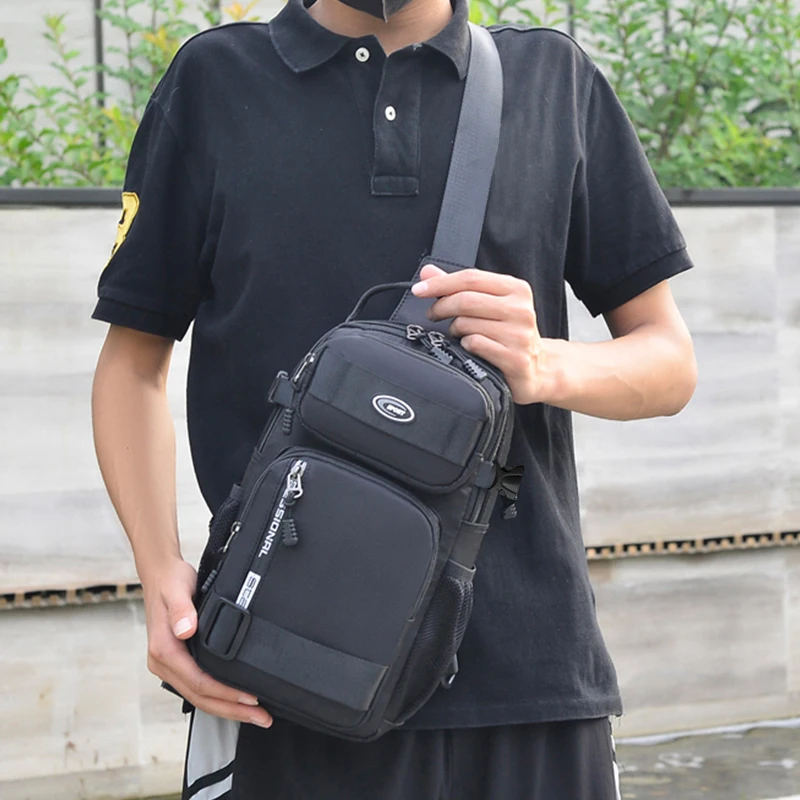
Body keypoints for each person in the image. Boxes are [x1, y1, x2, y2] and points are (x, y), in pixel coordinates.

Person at [90, 0, 698, 796]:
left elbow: (669, 362)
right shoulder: (213, 82)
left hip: (535, 683)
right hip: (280, 673)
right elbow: (133, 364)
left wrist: (546, 363)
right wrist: (158, 569)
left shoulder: (554, 80)